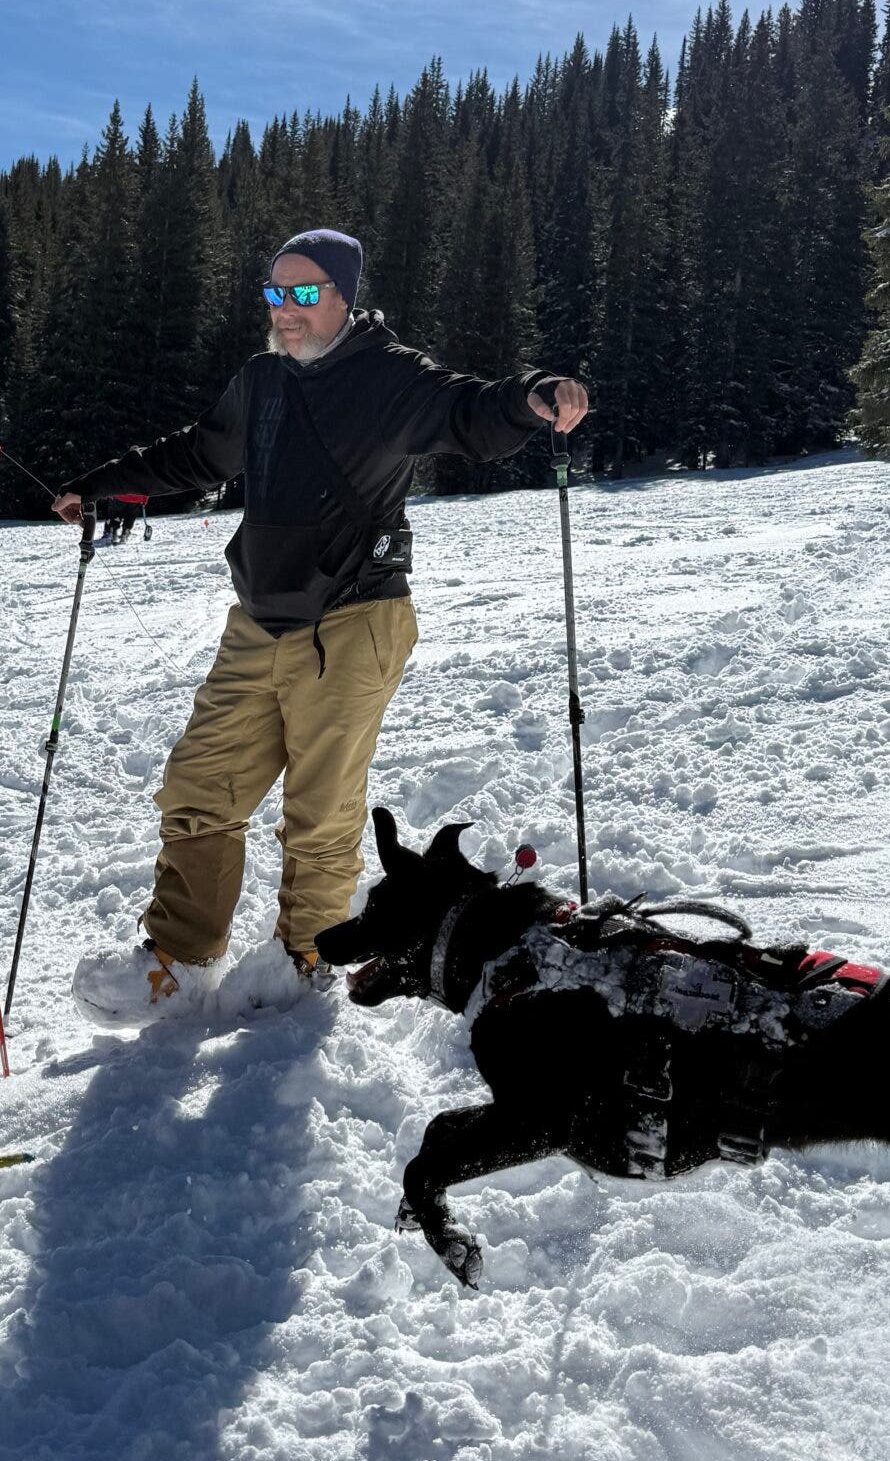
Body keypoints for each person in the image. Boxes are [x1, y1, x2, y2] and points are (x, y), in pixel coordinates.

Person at [58, 228, 588, 1024]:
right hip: (258, 620)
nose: (288, 310)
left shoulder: (389, 377)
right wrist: (103, 488)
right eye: (276, 293)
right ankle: (180, 959)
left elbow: (466, 411)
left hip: (355, 620)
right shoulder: (262, 380)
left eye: (305, 293)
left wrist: (531, 395)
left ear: (344, 295)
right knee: (199, 787)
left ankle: (304, 959)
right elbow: (198, 455)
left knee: (321, 807)